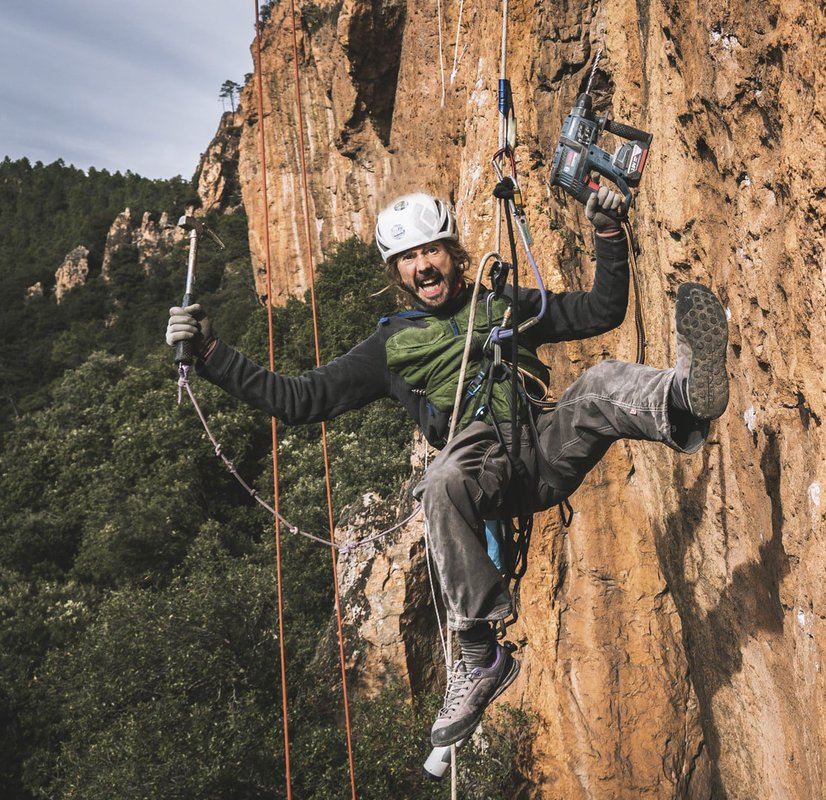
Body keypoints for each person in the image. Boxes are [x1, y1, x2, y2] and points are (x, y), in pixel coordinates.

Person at [165, 188, 729, 748]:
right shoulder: (390, 345)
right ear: (397, 273)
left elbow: (603, 310)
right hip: (480, 465)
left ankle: (684, 395)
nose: (422, 265)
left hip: (541, 443)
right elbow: (299, 399)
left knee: (601, 383)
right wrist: (214, 354)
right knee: (441, 479)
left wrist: (607, 232)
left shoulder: (503, 304)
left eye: (431, 250)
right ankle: (479, 654)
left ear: (454, 255)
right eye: (408, 258)